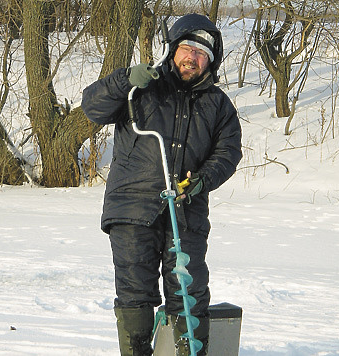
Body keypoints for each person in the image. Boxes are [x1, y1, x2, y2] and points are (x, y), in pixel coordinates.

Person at [81, 13, 242, 356]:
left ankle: (187, 351)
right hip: (133, 207)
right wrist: (125, 79)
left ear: (209, 63)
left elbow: (229, 153)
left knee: (188, 292)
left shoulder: (219, 105)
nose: (192, 58)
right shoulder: (143, 87)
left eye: (201, 55)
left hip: (185, 212)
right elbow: (92, 107)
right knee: (134, 292)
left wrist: (201, 181)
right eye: (187, 49)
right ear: (172, 50)